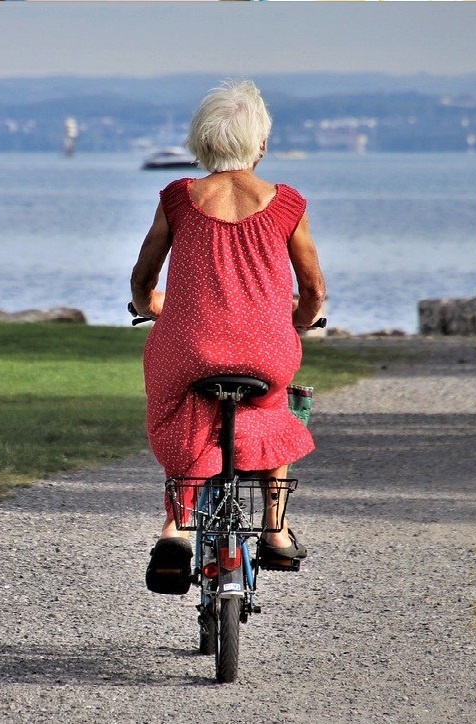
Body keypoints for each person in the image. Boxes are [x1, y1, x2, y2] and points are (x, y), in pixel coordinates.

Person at [130, 79, 327, 593]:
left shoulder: (178, 198)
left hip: (189, 347)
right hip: (265, 351)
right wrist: (299, 322)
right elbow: (313, 289)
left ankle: (175, 530)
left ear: (201, 142)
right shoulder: (287, 203)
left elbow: (144, 276)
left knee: (181, 406)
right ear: (260, 144)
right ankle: (276, 531)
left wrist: (148, 306)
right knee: (273, 407)